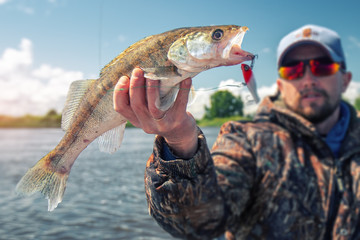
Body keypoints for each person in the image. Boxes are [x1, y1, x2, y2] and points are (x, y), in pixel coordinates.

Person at [113, 24, 360, 240]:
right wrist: (181, 145)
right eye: (293, 69)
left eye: (323, 67)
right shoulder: (245, 140)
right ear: (280, 83)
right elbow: (195, 223)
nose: (308, 79)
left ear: (346, 79)